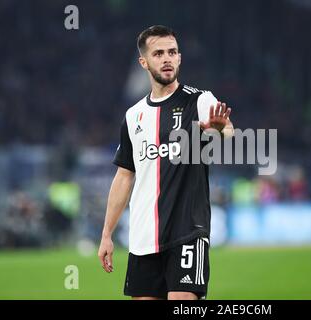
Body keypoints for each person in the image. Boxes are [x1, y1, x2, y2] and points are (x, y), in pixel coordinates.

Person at [98, 25, 234, 300]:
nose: (167, 58)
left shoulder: (198, 99)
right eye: (158, 53)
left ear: (180, 57)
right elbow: (125, 176)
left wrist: (219, 128)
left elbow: (228, 131)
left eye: (172, 52)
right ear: (144, 62)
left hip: (187, 231)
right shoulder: (133, 115)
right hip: (143, 237)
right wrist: (106, 234)